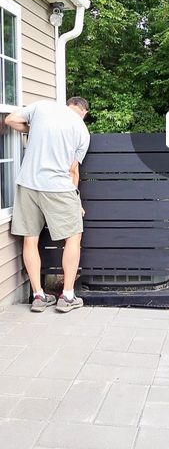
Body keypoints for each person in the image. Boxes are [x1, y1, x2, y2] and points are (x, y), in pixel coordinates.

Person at [5, 97, 90, 313]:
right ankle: (68, 296)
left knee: (30, 239)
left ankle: (38, 296)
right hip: (59, 188)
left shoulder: (42, 107)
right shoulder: (81, 129)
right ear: (83, 112)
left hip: (27, 184)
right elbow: (73, 170)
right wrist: (76, 201)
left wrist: (31, 131)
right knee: (73, 236)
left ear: (67, 104)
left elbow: (11, 120)